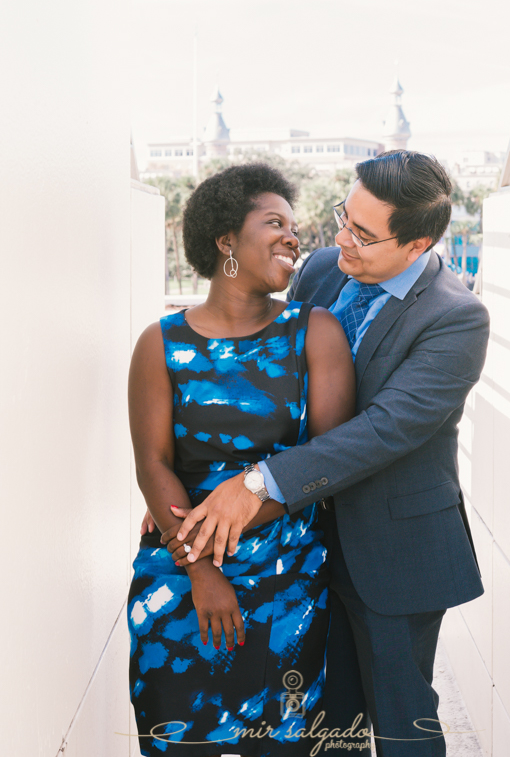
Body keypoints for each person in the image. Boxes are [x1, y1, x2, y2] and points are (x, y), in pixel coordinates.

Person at [167, 150, 491, 757]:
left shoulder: (457, 318)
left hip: (396, 558)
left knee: (402, 728)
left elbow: (385, 429)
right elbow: (265, 381)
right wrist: (200, 488)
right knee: (325, 726)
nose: (341, 238)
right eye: (344, 217)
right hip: (304, 548)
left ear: (417, 242)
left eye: (364, 235)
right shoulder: (322, 269)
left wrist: (257, 485)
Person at [127, 163, 356, 757]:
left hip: (291, 588)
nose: (292, 235)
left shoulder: (317, 333)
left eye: (294, 224)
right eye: (273, 221)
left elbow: (329, 462)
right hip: (180, 586)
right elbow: (153, 464)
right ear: (226, 240)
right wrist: (201, 570)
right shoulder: (161, 343)